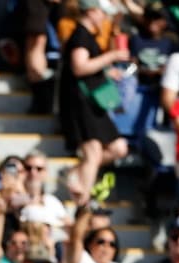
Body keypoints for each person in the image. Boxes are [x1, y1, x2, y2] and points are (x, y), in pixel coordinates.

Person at [58, 0, 129, 206]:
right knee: (93, 150)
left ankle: (74, 174)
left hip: (93, 102)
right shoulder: (80, 35)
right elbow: (79, 67)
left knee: (118, 147)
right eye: (102, 13)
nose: (105, 18)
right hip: (81, 102)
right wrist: (112, 56)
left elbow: (88, 67)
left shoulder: (88, 36)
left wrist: (107, 72)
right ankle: (84, 201)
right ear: (91, 11)